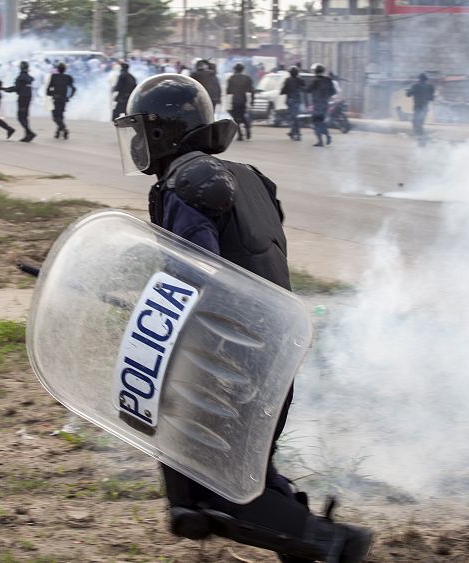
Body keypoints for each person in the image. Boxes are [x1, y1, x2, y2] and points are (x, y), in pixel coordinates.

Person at [113, 73, 373, 563]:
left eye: (140, 130)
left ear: (165, 131)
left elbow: (199, 276)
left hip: (233, 357)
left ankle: (332, 544)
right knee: (240, 466)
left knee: (213, 489)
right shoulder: (246, 176)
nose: (134, 143)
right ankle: (307, 535)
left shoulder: (188, 182)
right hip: (274, 344)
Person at [3, 61, 36, 142]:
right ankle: (27, 134)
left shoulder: (20, 77)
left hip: (22, 98)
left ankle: (30, 133)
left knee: (20, 117)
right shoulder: (29, 77)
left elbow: (16, 88)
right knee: (24, 116)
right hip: (28, 97)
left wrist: (6, 89)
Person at [307, 63, 336, 147]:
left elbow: (308, 90)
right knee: (320, 121)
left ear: (315, 71)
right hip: (325, 104)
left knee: (315, 122)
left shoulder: (315, 80)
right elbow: (333, 92)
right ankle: (327, 136)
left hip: (317, 104)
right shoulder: (328, 80)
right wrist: (326, 96)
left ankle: (321, 140)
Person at [46, 62, 76, 139]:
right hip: (63, 99)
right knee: (60, 116)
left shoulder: (54, 76)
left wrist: (50, 94)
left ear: (57, 69)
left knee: (56, 117)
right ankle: (58, 132)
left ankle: (64, 129)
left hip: (56, 98)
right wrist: (69, 97)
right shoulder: (68, 77)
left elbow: (49, 87)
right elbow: (73, 88)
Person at [226, 63, 254, 141]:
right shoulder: (247, 78)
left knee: (236, 118)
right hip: (243, 100)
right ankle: (248, 130)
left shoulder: (231, 78)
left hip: (235, 100)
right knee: (243, 116)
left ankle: (240, 135)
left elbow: (228, 91)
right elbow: (251, 91)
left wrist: (227, 104)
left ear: (235, 69)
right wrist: (252, 101)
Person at [406, 73, 435, 145]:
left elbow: (408, 95)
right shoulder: (430, 87)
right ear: (426, 80)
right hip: (425, 109)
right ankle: (422, 140)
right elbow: (431, 98)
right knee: (419, 124)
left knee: (416, 123)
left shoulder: (416, 86)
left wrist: (409, 90)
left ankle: (423, 139)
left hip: (418, 108)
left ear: (419, 79)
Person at [280, 66, 306, 141]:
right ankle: (293, 131)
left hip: (291, 101)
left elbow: (283, 90)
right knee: (295, 116)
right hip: (297, 100)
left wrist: (282, 92)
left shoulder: (287, 80)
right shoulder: (300, 80)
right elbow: (304, 88)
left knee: (293, 117)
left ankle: (296, 132)